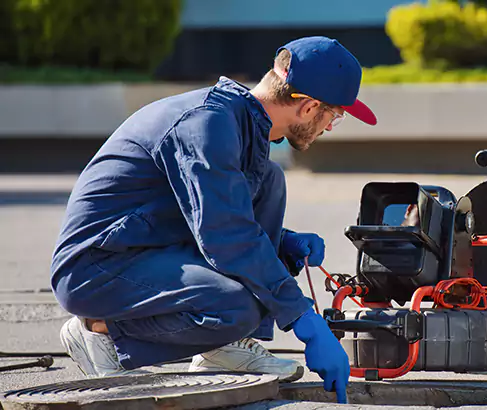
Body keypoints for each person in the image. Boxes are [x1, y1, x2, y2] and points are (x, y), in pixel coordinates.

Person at [49, 36, 377, 402]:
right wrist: (305, 320)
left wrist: (282, 241)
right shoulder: (207, 125)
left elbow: (215, 213)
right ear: (308, 107)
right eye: (334, 115)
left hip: (144, 247)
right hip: (96, 267)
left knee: (270, 181)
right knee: (236, 305)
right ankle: (101, 331)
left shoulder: (239, 125)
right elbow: (228, 236)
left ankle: (224, 349)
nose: (331, 126)